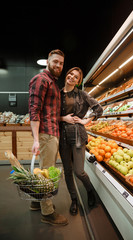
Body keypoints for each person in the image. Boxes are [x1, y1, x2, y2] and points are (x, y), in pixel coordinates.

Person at [28, 49, 68, 226]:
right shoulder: (41, 80)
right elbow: (34, 111)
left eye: (61, 63)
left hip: (52, 132)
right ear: (48, 62)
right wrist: (36, 139)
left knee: (44, 169)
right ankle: (47, 212)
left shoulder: (53, 83)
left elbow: (51, 112)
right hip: (46, 134)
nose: (58, 65)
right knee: (47, 173)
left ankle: (36, 201)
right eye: (55, 62)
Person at [59, 67, 103, 215]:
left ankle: (90, 191)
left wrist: (85, 121)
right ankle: (74, 200)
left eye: (76, 77)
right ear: (67, 75)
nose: (72, 77)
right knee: (68, 171)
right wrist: (62, 118)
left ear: (78, 82)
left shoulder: (82, 94)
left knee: (79, 171)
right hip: (62, 138)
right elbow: (51, 115)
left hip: (78, 136)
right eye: (70, 74)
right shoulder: (57, 94)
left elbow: (98, 109)